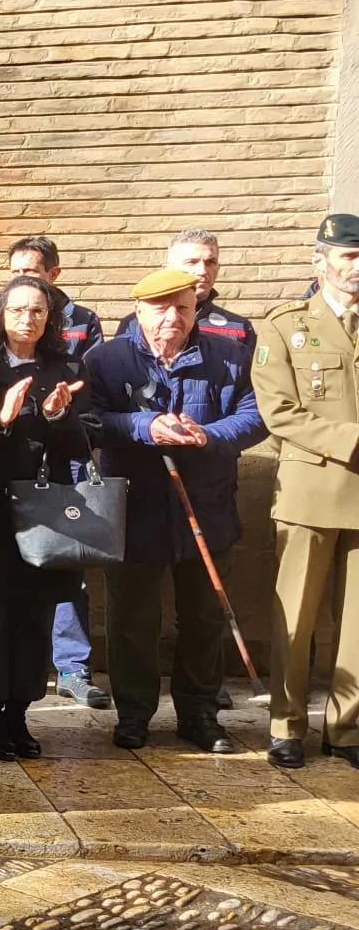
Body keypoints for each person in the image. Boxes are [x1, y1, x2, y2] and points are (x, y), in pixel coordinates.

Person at [86, 268, 264, 754]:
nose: (172, 317)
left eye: (183, 307)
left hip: (206, 508)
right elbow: (92, 420)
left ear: (195, 310)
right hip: (133, 510)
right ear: (139, 310)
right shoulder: (105, 359)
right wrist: (145, 425)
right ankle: (135, 715)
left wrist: (210, 435)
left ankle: (200, 714)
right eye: (161, 308)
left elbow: (255, 416)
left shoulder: (229, 357)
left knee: (205, 617)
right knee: (132, 620)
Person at [0, 276, 92, 761]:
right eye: (17, 310)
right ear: (0, 315)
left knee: (35, 614)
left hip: (45, 511)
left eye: (38, 311)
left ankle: (20, 713)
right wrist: (4, 421)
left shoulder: (67, 367)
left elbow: (84, 443)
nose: (27, 319)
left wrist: (60, 416)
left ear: (50, 319)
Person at [252, 215, 359, 769]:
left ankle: (345, 729)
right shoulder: (284, 326)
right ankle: (286, 725)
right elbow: (279, 413)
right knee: (294, 616)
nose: (357, 267)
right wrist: (353, 440)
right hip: (311, 488)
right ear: (320, 263)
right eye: (348, 256)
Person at [115, 229, 255, 350]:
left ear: (218, 268)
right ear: (167, 269)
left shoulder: (238, 327)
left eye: (210, 262)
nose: (202, 271)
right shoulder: (135, 323)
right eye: (191, 262)